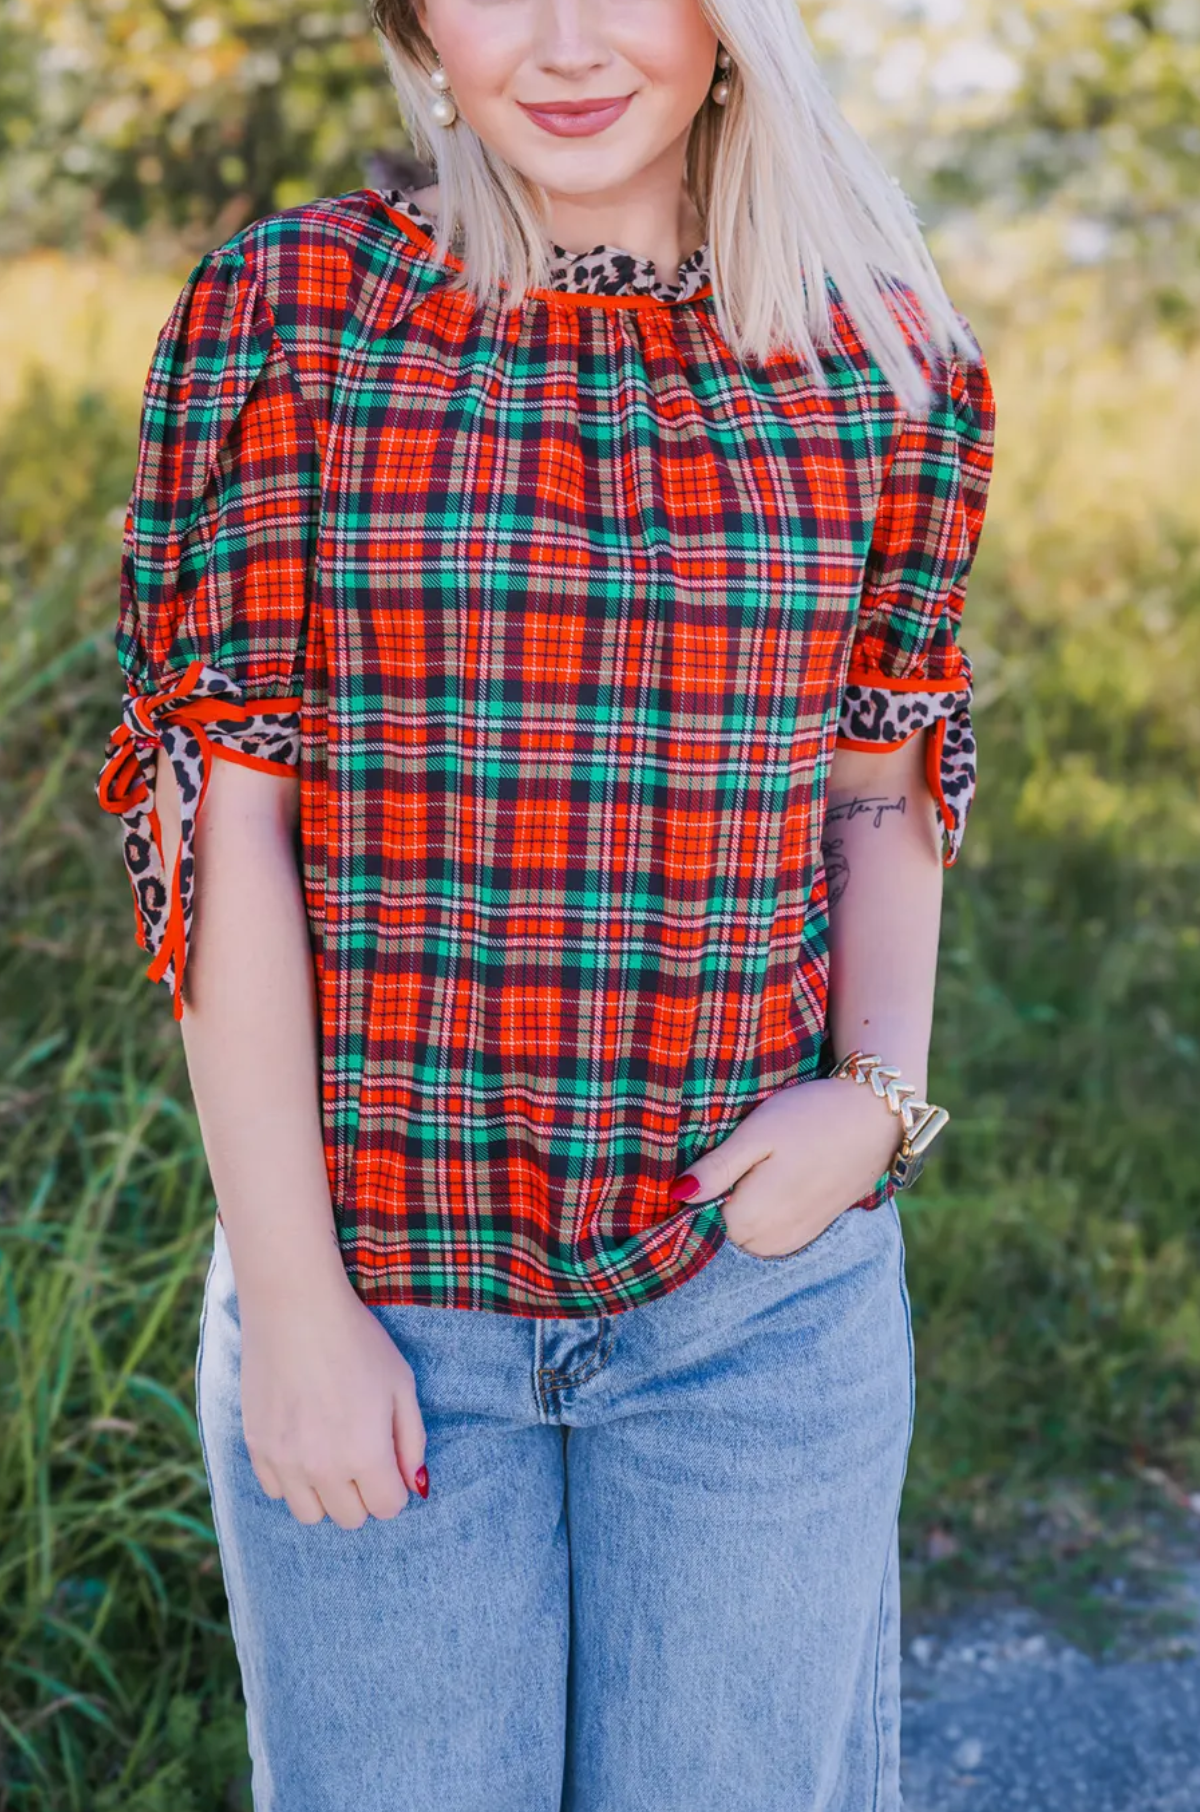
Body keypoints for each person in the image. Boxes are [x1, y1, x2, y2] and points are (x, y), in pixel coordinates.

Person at [94, 2, 995, 1807]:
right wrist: (297, 1305)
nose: (567, 41)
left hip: (751, 1308)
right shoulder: (294, 317)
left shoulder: (884, 354)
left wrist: (875, 1100)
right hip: (383, 1300)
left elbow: (883, 783)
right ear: (419, 20)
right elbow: (221, 831)